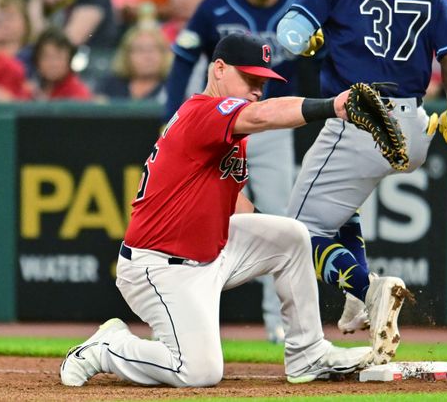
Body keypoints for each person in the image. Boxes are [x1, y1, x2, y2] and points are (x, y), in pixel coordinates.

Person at [59, 33, 374, 388]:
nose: (258, 89)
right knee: (199, 372)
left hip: (211, 254)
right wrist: (332, 106)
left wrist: (300, 250)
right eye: (250, 79)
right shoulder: (203, 112)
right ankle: (108, 347)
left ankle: (308, 355)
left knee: (291, 236)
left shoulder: (227, 132)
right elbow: (261, 116)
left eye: (263, 82)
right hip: (160, 266)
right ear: (219, 69)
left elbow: (236, 203)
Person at [276, 0, 447, 364]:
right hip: (415, 124)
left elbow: (291, 35)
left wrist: (316, 40)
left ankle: (369, 289)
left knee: (297, 237)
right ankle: (361, 303)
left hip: (359, 115)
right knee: (342, 207)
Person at [165, 0, 299, 344]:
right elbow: (182, 62)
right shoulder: (212, 5)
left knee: (281, 223)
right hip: (213, 130)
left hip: (269, 128)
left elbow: (313, 70)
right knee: (194, 217)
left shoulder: (299, 9)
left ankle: (279, 324)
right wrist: (172, 119)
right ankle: (176, 313)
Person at [96, 21, 172, 103]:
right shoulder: (110, 84)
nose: (148, 56)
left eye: (154, 49)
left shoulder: (173, 86)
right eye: (140, 50)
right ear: (127, 55)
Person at [31, 27, 92, 101]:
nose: (53, 64)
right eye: (46, 56)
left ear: (69, 59)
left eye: (58, 57)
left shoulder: (77, 94)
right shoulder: (30, 89)